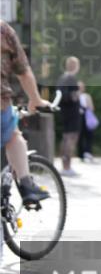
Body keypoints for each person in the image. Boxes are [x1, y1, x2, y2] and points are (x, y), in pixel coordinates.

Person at [0, 21, 54, 206]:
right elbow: (23, 72)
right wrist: (36, 100)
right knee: (14, 136)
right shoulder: (3, 30)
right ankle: (26, 185)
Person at [56, 57, 83, 177]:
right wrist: (79, 92)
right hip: (72, 112)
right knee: (71, 138)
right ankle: (67, 167)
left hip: (64, 112)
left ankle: (64, 166)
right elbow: (72, 96)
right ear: (75, 66)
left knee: (65, 137)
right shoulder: (71, 78)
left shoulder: (62, 78)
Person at [77, 81, 97, 163]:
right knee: (80, 136)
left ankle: (88, 152)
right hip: (78, 118)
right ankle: (81, 154)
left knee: (89, 135)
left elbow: (92, 108)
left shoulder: (87, 96)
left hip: (86, 117)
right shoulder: (75, 95)